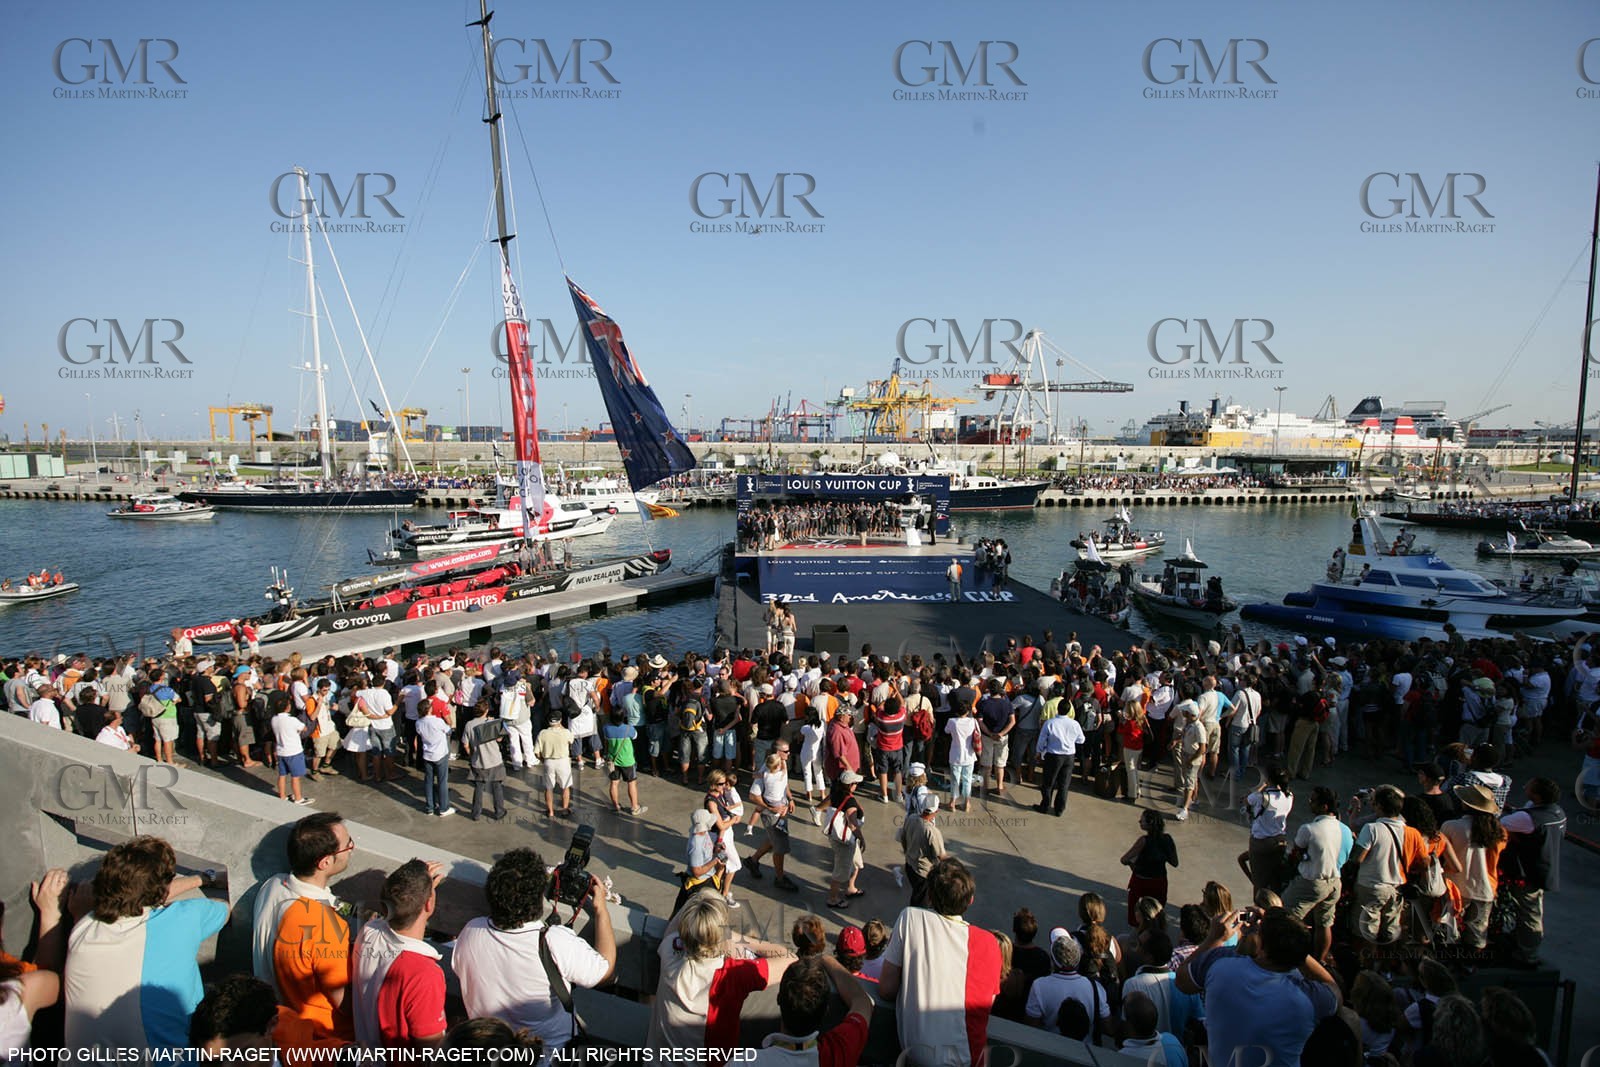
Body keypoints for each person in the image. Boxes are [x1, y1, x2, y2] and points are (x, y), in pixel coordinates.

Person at [64, 836, 228, 1051]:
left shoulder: (84, 926)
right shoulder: (186, 917)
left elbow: (139, 896)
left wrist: (199, 879)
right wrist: (203, 879)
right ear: (163, 888)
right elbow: (226, 908)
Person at [453, 848, 616, 1056]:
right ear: (539, 897)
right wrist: (601, 910)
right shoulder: (554, 941)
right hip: (548, 1055)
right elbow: (606, 972)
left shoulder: (470, 932)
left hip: (488, 1051)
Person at [1176, 907, 1341, 1067]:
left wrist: (1214, 938)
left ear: (1262, 948)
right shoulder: (1310, 998)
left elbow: (1182, 980)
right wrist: (1298, 949)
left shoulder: (1219, 962)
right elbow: (1333, 989)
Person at [878, 858, 1002, 1067]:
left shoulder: (909, 919)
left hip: (915, 1058)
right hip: (968, 1060)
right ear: (970, 900)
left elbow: (886, 990)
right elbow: (985, 1005)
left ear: (929, 896)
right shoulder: (989, 943)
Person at [648, 894, 795, 1059]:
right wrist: (734, 937)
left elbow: (677, 921)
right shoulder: (732, 974)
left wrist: (701, 896)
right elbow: (791, 959)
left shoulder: (670, 948)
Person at [250, 813, 354, 1002]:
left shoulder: (273, 885)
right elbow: (343, 1001)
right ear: (325, 862)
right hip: (316, 1026)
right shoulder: (324, 925)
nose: (351, 850)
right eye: (348, 845)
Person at [351, 859, 448, 1048]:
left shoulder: (369, 932)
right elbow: (432, 1051)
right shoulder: (424, 974)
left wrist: (419, 886)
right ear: (429, 904)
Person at [1498, 776, 1566, 966]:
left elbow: (1501, 824)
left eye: (1529, 785)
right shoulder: (1556, 812)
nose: (1525, 785)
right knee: (1531, 910)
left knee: (1529, 913)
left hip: (1527, 873)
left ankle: (1528, 954)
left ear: (1536, 795)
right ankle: (1523, 943)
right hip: (1543, 869)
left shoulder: (1528, 818)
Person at [1280, 786, 1351, 964]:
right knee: (1324, 923)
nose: (1310, 803)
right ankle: (1320, 961)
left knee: (1285, 918)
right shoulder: (1343, 829)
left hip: (1312, 881)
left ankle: (1287, 958)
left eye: (1313, 801)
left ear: (1325, 806)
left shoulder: (1309, 829)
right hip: (1335, 881)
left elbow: (1295, 852)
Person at [1442, 783, 1508, 951]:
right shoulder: (1499, 832)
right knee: (1477, 934)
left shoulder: (1451, 826)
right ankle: (1470, 965)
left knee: (1449, 931)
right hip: (1485, 888)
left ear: (1466, 804)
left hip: (1455, 887)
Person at [1349, 784, 1408, 946]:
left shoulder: (1372, 828)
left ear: (1380, 807)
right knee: (1390, 930)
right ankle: (1385, 967)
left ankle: (1366, 964)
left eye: (1374, 803)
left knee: (1365, 932)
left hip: (1372, 886)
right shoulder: (1408, 830)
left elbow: (1358, 858)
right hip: (1396, 886)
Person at [1025, 932, 1114, 1040]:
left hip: (1049, 1049)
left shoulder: (1039, 986)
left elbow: (1031, 1026)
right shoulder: (1095, 987)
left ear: (1053, 961)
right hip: (1086, 1051)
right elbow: (1108, 1027)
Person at [747, 745, 801, 891]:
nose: (789, 753)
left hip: (781, 811)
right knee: (780, 847)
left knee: (773, 840)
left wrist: (790, 798)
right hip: (773, 815)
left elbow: (784, 783)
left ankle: (753, 860)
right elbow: (753, 796)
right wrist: (770, 808)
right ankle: (780, 878)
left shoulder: (775, 770)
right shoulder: (766, 771)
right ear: (777, 753)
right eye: (786, 751)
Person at [1239, 767, 1294, 893]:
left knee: (1259, 880)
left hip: (1260, 841)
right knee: (1274, 876)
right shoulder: (1289, 796)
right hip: (1279, 841)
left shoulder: (1261, 797)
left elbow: (1247, 800)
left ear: (1268, 780)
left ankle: (1259, 898)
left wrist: (1262, 786)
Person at [1121, 810, 1178, 926]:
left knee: (1138, 917)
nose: (1139, 822)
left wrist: (1133, 865)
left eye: (1142, 820)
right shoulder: (1167, 839)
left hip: (1141, 882)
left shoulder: (1143, 841)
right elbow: (1175, 862)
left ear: (1149, 824)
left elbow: (1124, 859)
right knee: (1156, 914)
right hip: (1159, 882)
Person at [897, 792, 950, 908]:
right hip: (923, 873)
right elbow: (942, 856)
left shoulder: (911, 819)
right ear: (936, 811)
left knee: (917, 894)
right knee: (921, 903)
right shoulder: (932, 831)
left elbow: (903, 838)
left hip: (910, 866)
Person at [1035, 699, 1086, 816]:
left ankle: (1045, 805)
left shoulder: (1050, 723)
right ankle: (1059, 809)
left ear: (1058, 709)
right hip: (1069, 756)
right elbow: (1081, 739)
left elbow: (1042, 739)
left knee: (1048, 783)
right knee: (1064, 784)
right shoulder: (1074, 724)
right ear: (1069, 711)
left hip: (1053, 755)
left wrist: (1039, 752)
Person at [824, 772, 866, 909]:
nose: (857, 785)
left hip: (836, 837)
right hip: (845, 840)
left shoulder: (836, 793)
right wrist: (862, 838)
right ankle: (833, 899)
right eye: (855, 783)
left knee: (856, 863)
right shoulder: (850, 801)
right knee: (840, 872)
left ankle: (851, 888)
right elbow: (853, 825)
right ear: (850, 785)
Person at [461, 704, 508, 821]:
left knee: (478, 787)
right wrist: (494, 724)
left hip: (478, 761)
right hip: (494, 760)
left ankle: (476, 813)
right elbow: (500, 739)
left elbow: (465, 744)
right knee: (497, 786)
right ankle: (499, 811)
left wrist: (471, 755)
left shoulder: (469, 725)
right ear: (486, 711)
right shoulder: (490, 723)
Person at [415, 693, 455, 817]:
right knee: (442, 781)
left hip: (427, 754)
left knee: (428, 781)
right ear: (429, 709)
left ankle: (430, 807)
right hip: (440, 753)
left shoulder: (418, 723)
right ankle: (443, 808)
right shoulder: (437, 721)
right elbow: (448, 730)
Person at [603, 707, 647, 816]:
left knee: (614, 783)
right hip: (627, 761)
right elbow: (635, 736)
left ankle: (616, 806)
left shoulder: (606, 728)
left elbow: (606, 740)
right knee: (631, 783)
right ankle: (634, 807)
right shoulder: (628, 729)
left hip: (612, 761)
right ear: (623, 717)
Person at [270, 693, 312, 806]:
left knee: (282, 775)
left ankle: (282, 795)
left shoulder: (274, 719)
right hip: (293, 751)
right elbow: (304, 728)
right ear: (287, 707)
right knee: (295, 776)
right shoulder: (292, 720)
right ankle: (298, 798)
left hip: (281, 750)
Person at [534, 712, 575, 818]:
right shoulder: (566, 732)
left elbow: (537, 752)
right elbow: (571, 740)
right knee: (565, 787)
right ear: (560, 720)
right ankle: (565, 809)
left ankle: (550, 811)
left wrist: (543, 760)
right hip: (563, 761)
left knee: (549, 788)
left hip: (548, 761)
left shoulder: (542, 733)